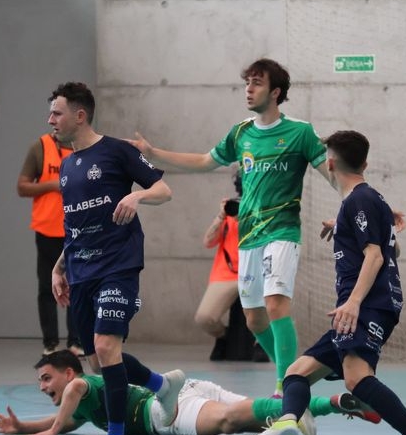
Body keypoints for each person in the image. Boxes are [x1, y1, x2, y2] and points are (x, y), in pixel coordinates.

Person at [129, 58, 344, 397]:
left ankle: (286, 387)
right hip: (249, 237)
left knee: (276, 305)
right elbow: (204, 161)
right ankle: (295, 374)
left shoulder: (300, 132)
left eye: (257, 83)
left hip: (282, 232)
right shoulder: (241, 133)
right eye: (247, 83)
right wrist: (153, 153)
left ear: (275, 92)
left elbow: (334, 176)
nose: (248, 89)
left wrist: (360, 204)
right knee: (254, 319)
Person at [243, 131, 406, 435]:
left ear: (329, 164)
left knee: (356, 379)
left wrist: (353, 302)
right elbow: (392, 248)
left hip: (366, 305)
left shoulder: (359, 200)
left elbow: (376, 256)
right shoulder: (365, 200)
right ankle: (288, 421)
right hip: (366, 305)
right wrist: (342, 226)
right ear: (364, 164)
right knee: (297, 372)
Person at [47, 82, 185, 435]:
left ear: (80, 115)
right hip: (81, 269)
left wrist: (137, 196)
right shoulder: (68, 166)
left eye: (57, 113)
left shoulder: (116, 151)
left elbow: (164, 189)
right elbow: (76, 225)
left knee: (106, 346)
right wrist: (59, 265)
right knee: (97, 360)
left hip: (117, 266)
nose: (50, 120)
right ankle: (162, 385)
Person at [0, 350, 381, 435]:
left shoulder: (84, 384)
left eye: (46, 378)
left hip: (167, 413)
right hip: (193, 389)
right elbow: (68, 419)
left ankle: (316, 409)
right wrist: (24, 425)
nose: (44, 387)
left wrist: (51, 431)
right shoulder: (84, 410)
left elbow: (72, 394)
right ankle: (333, 404)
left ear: (69, 371)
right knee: (257, 411)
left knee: (231, 421)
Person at [17, 125, 82, 356]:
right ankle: (50, 344)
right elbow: (22, 187)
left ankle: (77, 342)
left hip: (78, 229)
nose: (55, 120)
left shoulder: (83, 146)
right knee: (47, 287)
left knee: (78, 285)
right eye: (54, 115)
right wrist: (53, 185)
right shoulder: (40, 147)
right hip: (47, 229)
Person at [195, 169, 242, 360]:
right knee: (204, 318)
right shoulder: (230, 212)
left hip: (257, 274)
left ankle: (259, 343)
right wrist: (221, 216)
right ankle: (223, 337)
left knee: (267, 314)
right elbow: (208, 242)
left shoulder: (266, 209)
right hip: (226, 274)